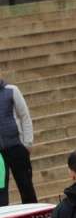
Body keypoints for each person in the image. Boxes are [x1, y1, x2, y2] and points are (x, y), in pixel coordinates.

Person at [0, 75, 34, 207]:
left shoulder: (12, 90)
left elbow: (25, 116)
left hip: (16, 147)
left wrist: (27, 143)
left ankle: (32, 214)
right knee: (1, 192)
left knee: (26, 186)